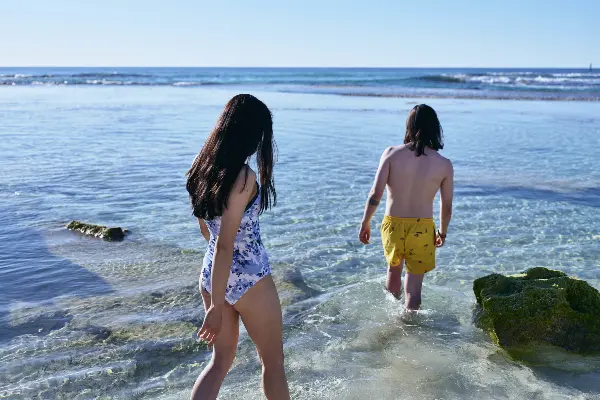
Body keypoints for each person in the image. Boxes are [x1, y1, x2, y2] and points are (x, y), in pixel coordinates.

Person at [186, 94, 290, 400]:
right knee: (273, 363)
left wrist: (217, 296)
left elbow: (206, 227)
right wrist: (217, 307)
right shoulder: (243, 177)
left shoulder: (201, 166)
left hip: (211, 274)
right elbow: (225, 245)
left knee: (220, 363)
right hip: (249, 276)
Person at [359, 104, 454, 311]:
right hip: (422, 227)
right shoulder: (444, 164)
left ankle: (389, 318)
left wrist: (365, 222)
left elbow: (376, 193)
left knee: (393, 273)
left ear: (409, 126)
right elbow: (446, 205)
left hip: (393, 224)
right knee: (414, 288)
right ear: (435, 128)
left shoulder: (391, 153)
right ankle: (410, 327)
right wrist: (442, 232)